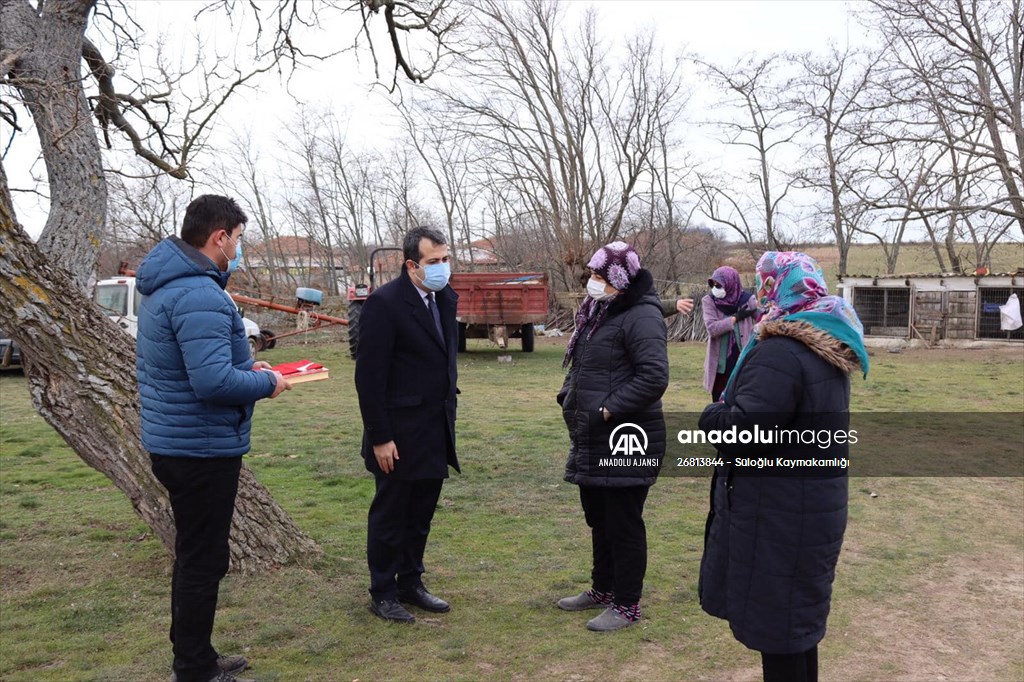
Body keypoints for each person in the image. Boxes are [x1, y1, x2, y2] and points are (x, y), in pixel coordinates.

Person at [136, 194, 291, 682]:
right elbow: (211, 382)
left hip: (179, 442)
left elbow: (199, 366)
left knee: (195, 556)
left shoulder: (169, 286)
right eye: (238, 240)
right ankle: (194, 668)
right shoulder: (198, 293)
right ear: (219, 237)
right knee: (203, 561)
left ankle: (195, 655)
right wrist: (267, 384)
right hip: (198, 448)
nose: (238, 250)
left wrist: (251, 367)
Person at [697, 252, 869, 682]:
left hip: (779, 514)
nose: (759, 292)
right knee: (795, 630)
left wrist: (712, 414)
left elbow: (740, 432)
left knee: (781, 633)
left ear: (779, 287)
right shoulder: (824, 342)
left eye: (764, 283)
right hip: (805, 505)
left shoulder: (781, 353)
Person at [556, 242, 669, 632]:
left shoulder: (642, 316)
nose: (591, 281)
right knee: (600, 519)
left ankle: (627, 604)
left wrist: (609, 409)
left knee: (623, 522)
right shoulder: (599, 310)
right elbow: (584, 364)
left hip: (625, 436)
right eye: (591, 273)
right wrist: (568, 396)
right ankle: (603, 589)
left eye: (598, 275)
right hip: (593, 435)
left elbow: (654, 377)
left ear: (619, 278)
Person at [354, 226, 460, 624]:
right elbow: (369, 378)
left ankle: (410, 582)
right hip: (397, 433)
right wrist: (380, 437)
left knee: (420, 514)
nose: (442, 267)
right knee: (391, 515)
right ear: (411, 265)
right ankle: (383, 591)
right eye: (434, 262)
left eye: (446, 259)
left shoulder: (444, 298)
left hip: (435, 426)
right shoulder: (384, 304)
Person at [702, 266, 757, 401]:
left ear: (730, 284)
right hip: (721, 365)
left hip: (742, 358)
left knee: (742, 399)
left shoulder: (747, 300)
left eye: (718, 285)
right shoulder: (709, 301)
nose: (715, 288)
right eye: (713, 285)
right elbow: (712, 328)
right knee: (719, 401)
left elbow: (762, 317)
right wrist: (736, 318)